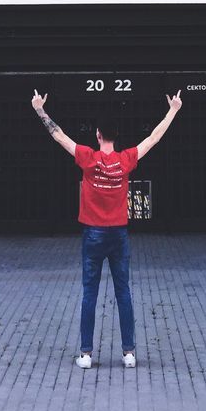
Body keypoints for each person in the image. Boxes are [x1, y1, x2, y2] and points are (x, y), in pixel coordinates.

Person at [30, 87, 183, 369]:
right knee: (123, 292)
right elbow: (153, 138)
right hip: (119, 235)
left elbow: (58, 135)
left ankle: (86, 354)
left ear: (98, 135)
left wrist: (39, 108)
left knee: (90, 292)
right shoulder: (126, 161)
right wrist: (173, 110)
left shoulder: (88, 158)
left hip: (92, 234)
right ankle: (128, 354)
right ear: (115, 136)